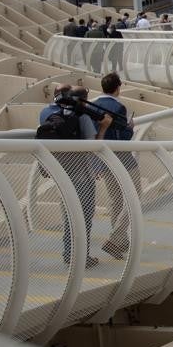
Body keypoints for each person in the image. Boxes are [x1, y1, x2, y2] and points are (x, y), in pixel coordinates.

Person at [39, 85, 112, 269]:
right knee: (84, 215)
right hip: (81, 173)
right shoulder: (82, 115)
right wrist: (103, 127)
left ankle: (68, 252)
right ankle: (80, 256)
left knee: (68, 213)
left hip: (60, 171)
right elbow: (93, 146)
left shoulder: (45, 112)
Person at [92, 73, 139, 260]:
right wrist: (131, 127)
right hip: (123, 159)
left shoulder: (93, 103)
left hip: (103, 160)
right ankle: (115, 238)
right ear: (118, 87)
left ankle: (120, 240)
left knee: (115, 200)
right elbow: (123, 136)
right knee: (134, 199)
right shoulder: (118, 106)